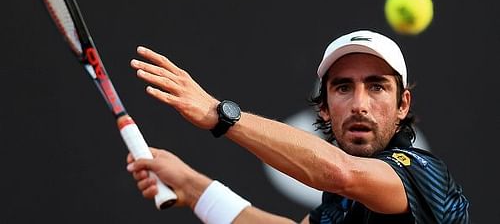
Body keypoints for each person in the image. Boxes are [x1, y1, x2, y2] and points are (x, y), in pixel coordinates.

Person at [126, 29, 470, 223]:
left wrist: (221, 114)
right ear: (323, 109)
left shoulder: (422, 174)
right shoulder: (341, 207)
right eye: (343, 87)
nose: (360, 104)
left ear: (402, 106)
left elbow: (341, 171)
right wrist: (193, 186)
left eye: (377, 86)